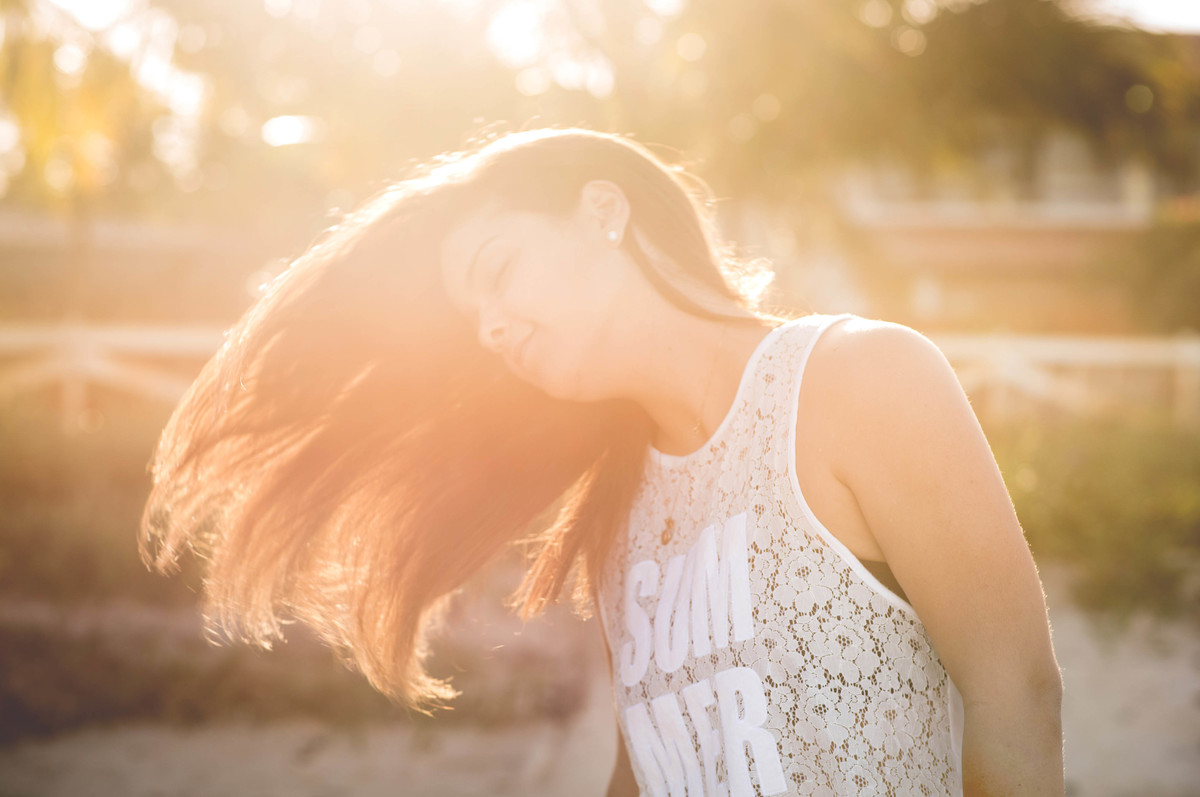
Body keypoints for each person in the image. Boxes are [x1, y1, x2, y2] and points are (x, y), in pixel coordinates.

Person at [141, 126, 1063, 796]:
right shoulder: (620, 514)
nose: (490, 327)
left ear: (603, 210)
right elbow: (646, 771)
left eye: (498, 272)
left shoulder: (860, 378)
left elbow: (1016, 690)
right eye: (474, 323)